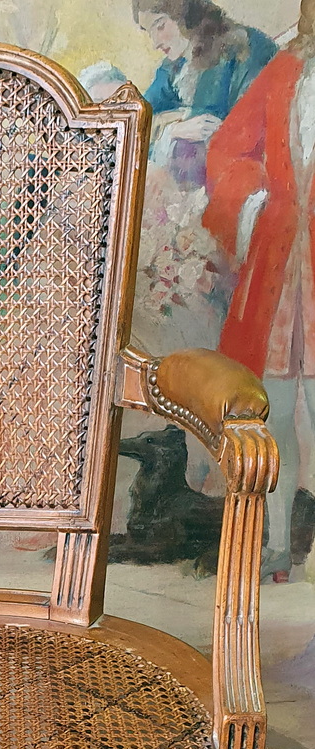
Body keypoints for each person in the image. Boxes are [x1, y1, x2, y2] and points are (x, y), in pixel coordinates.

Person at [203, 0, 315, 581]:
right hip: (281, 264)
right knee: (271, 410)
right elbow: (228, 150)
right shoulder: (286, 72)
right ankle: (275, 541)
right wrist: (256, 201)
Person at [135, 0, 276, 189]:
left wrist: (176, 124)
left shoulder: (241, 47)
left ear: (186, 14)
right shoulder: (173, 68)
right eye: (148, 32)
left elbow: (225, 126)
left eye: (160, 26)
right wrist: (175, 127)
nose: (155, 43)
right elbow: (138, 119)